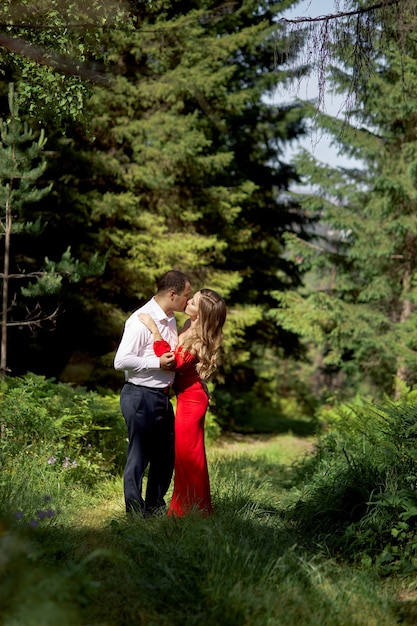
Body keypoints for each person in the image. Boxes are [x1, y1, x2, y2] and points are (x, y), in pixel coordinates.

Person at [138, 288, 226, 516]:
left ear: (202, 313)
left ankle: (191, 509)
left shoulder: (198, 338)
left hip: (192, 401)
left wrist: (154, 331)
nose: (188, 302)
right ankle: (190, 507)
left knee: (189, 456)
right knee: (185, 456)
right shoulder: (188, 324)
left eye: (193, 302)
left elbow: (172, 363)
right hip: (186, 396)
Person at [114, 270, 192, 516]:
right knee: (139, 456)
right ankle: (135, 513)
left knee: (165, 456)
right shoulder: (140, 319)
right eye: (186, 296)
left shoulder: (169, 318)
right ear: (172, 294)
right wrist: (156, 364)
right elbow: (121, 361)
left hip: (161, 396)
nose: (187, 301)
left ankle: (154, 507)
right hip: (139, 394)